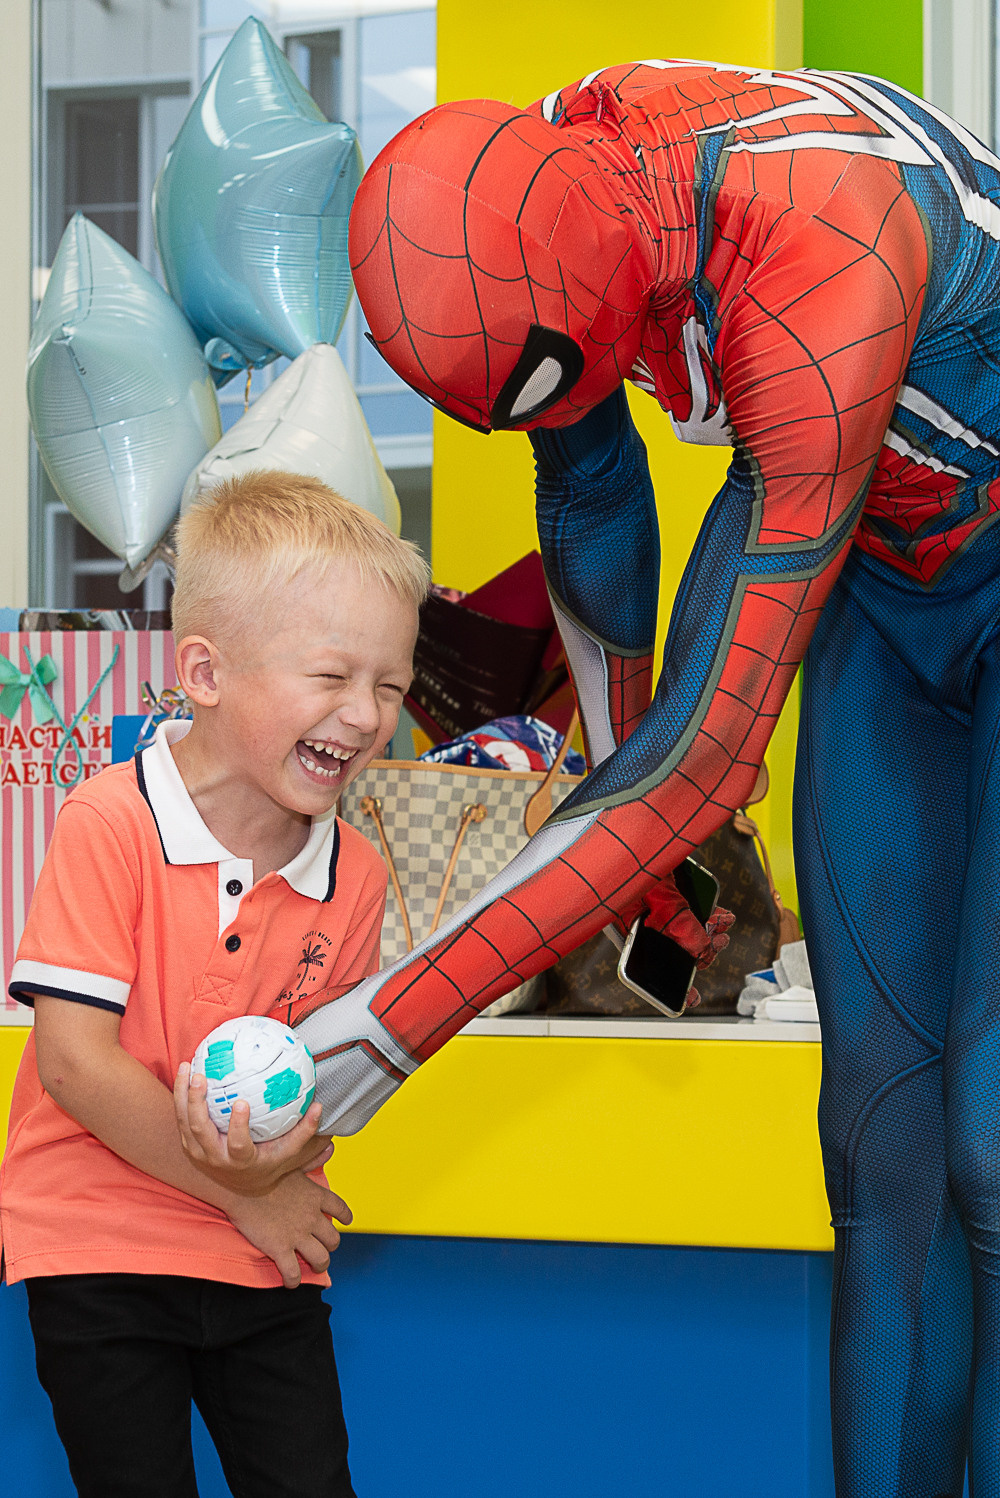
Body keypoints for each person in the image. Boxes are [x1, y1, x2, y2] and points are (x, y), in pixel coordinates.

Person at [296, 60, 1000, 1498]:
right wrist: (640, 856)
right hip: (883, 578)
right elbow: (594, 488)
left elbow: (702, 768)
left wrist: (381, 1031)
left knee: (992, 1143)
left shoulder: (817, 237)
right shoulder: (559, 183)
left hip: (901, 498)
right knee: (877, 1150)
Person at [0, 472, 427, 1498]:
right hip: (100, 1244)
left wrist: (284, 1164)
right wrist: (247, 1192)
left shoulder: (357, 875)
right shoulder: (110, 823)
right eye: (331, 675)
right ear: (204, 672)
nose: (365, 714)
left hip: (261, 1257)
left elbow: (318, 1097)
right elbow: (74, 1066)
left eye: (391, 686)